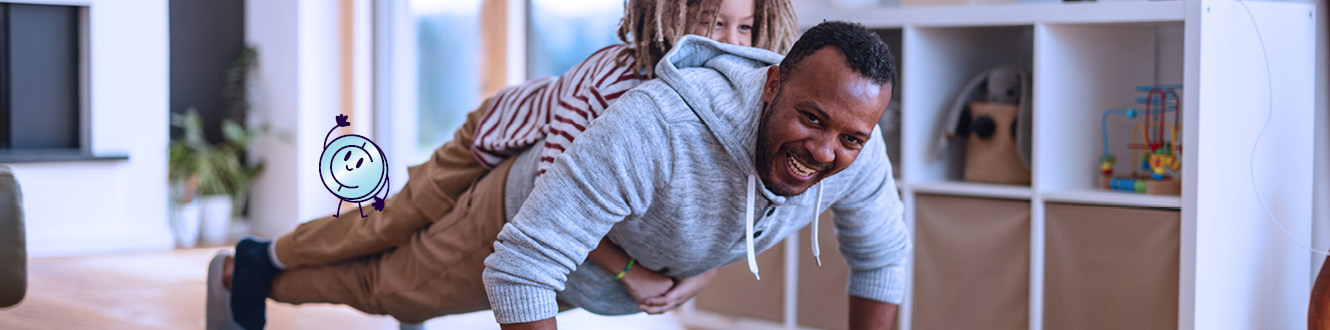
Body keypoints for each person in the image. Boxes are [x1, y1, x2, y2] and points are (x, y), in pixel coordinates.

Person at [210, 0, 800, 329]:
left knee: (398, 257)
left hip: (520, 158)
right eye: (712, 24)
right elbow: (553, 193)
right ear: (667, 15)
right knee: (385, 222)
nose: (732, 42)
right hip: (488, 140)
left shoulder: (740, 108)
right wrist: (630, 274)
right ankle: (270, 256)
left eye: (746, 27)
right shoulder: (615, 81)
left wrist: (702, 271)